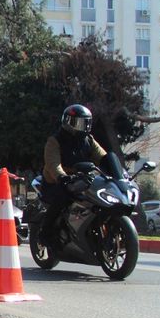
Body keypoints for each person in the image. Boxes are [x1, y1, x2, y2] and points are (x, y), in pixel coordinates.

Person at [39, 103, 120, 247]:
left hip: (85, 179)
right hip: (57, 181)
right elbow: (53, 163)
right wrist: (62, 177)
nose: (83, 127)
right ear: (68, 122)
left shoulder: (89, 140)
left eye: (86, 123)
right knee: (61, 198)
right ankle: (45, 233)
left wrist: (115, 171)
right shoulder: (55, 140)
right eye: (79, 123)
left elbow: (103, 156)